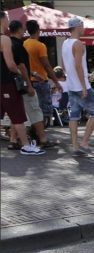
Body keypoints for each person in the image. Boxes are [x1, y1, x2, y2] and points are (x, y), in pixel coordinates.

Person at [8, 20, 59, 149]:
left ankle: (13, 140)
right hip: (28, 83)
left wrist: (34, 74)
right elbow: (23, 66)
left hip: (15, 84)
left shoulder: (18, 44)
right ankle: (42, 139)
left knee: (17, 113)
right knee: (37, 111)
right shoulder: (33, 45)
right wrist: (30, 84)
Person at [0, 12, 45, 155]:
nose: (8, 21)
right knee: (17, 114)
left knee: (13, 114)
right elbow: (11, 64)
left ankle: (21, 143)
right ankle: (26, 145)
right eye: (7, 18)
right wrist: (22, 76)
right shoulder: (4, 39)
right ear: (2, 20)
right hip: (7, 82)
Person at [61, 17, 94, 156]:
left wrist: (73, 77)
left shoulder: (65, 43)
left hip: (71, 85)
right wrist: (84, 86)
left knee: (74, 115)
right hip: (80, 85)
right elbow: (78, 65)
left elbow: (64, 65)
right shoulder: (78, 43)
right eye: (83, 25)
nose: (84, 28)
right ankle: (84, 142)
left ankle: (75, 146)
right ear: (78, 27)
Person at [24, 19, 61, 127]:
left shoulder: (24, 44)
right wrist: (56, 81)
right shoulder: (40, 46)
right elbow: (47, 65)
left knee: (33, 108)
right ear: (38, 30)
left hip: (30, 80)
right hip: (41, 81)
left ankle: (35, 131)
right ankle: (42, 132)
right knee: (45, 109)